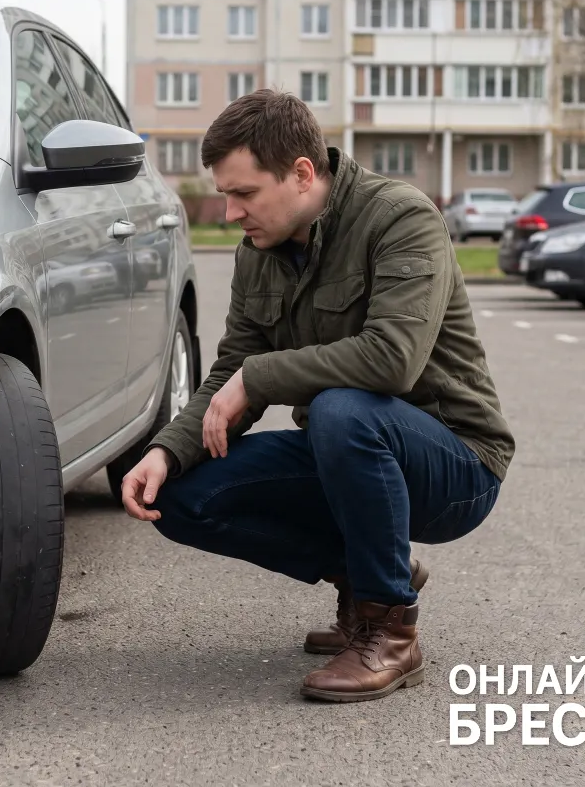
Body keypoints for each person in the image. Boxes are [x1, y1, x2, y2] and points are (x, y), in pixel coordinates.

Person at [121, 89, 515, 704]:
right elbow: (233, 366)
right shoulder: (261, 251)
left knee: (342, 409)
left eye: (244, 193)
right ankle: (371, 574)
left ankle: (390, 632)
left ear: (302, 174)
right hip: (346, 454)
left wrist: (259, 378)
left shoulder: (400, 218)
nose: (230, 212)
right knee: (176, 496)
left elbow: (392, 360)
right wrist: (168, 450)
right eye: (225, 193)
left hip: (455, 463)